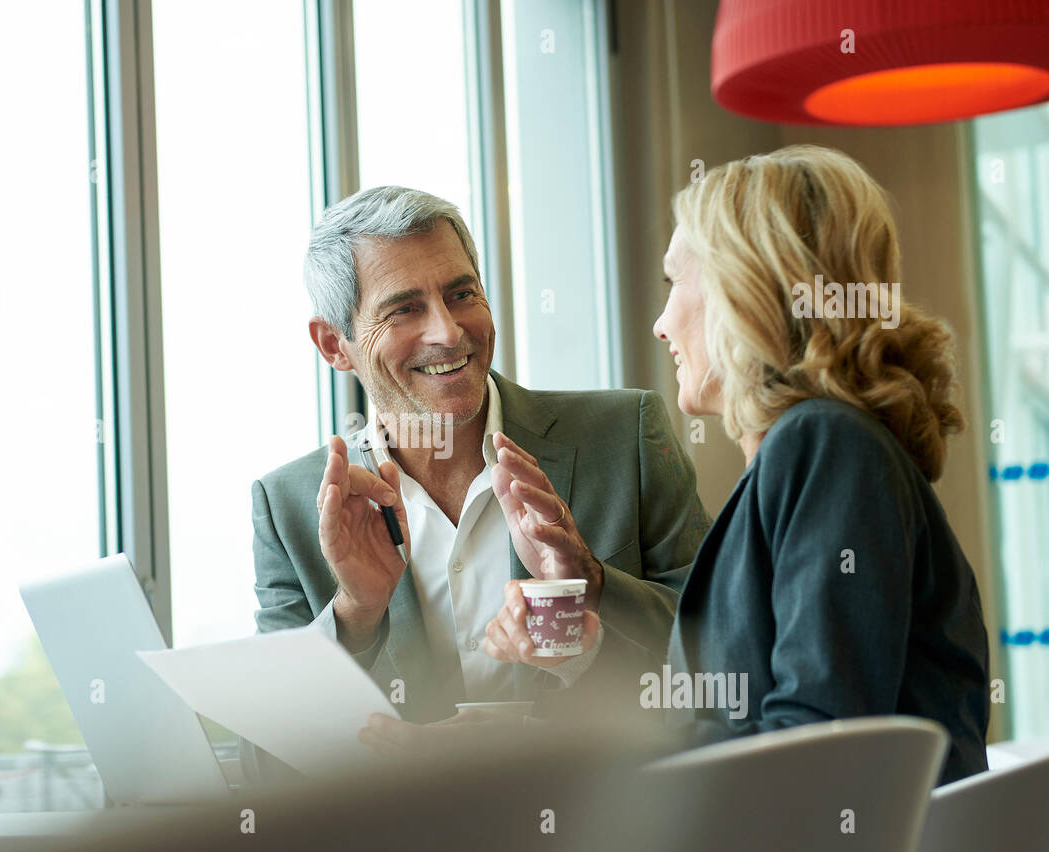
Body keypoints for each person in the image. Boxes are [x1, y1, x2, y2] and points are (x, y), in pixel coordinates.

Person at [486, 145, 990, 785]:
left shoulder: (825, 445)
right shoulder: (819, 450)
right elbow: (737, 720)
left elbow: (812, 752)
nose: (660, 323)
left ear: (743, 289)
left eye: (675, 282)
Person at [247, 186, 711, 781]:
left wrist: (589, 602)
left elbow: (721, 653)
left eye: (462, 293)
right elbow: (266, 767)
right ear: (335, 344)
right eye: (404, 309)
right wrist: (355, 614)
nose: (448, 331)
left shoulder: (625, 437)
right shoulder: (287, 507)